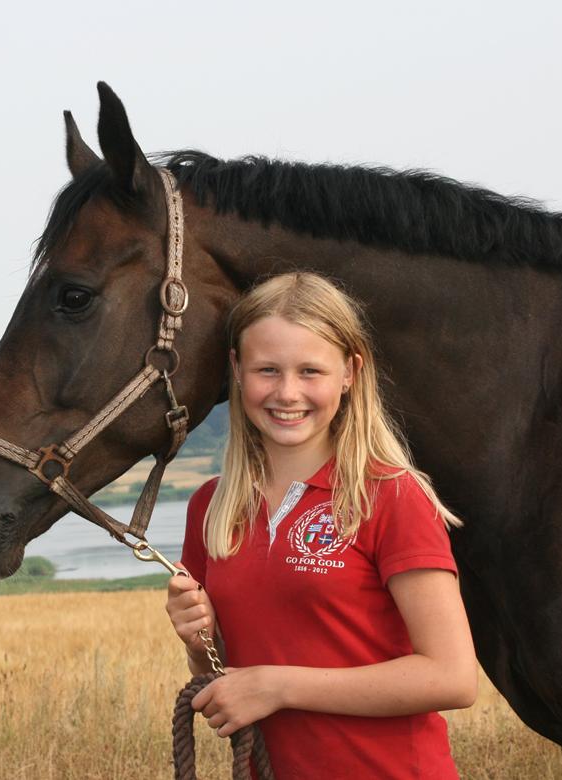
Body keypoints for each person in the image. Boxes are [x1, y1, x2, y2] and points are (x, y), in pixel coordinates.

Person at [166, 272, 477, 779]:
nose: (288, 392)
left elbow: (453, 677)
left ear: (350, 372)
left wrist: (278, 686)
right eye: (268, 369)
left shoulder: (391, 494)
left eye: (310, 371)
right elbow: (224, 675)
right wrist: (197, 642)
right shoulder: (210, 506)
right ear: (237, 371)